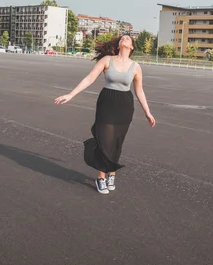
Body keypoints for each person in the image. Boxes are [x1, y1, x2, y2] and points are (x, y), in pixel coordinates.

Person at [54, 34, 155, 194]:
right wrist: (71, 94)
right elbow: (89, 79)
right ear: (119, 44)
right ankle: (101, 177)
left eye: (128, 38)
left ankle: (111, 174)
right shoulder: (107, 60)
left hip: (125, 105)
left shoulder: (135, 67)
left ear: (132, 47)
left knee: (116, 142)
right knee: (105, 140)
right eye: (122, 38)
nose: (124, 39)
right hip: (107, 103)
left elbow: (139, 91)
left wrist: (147, 112)